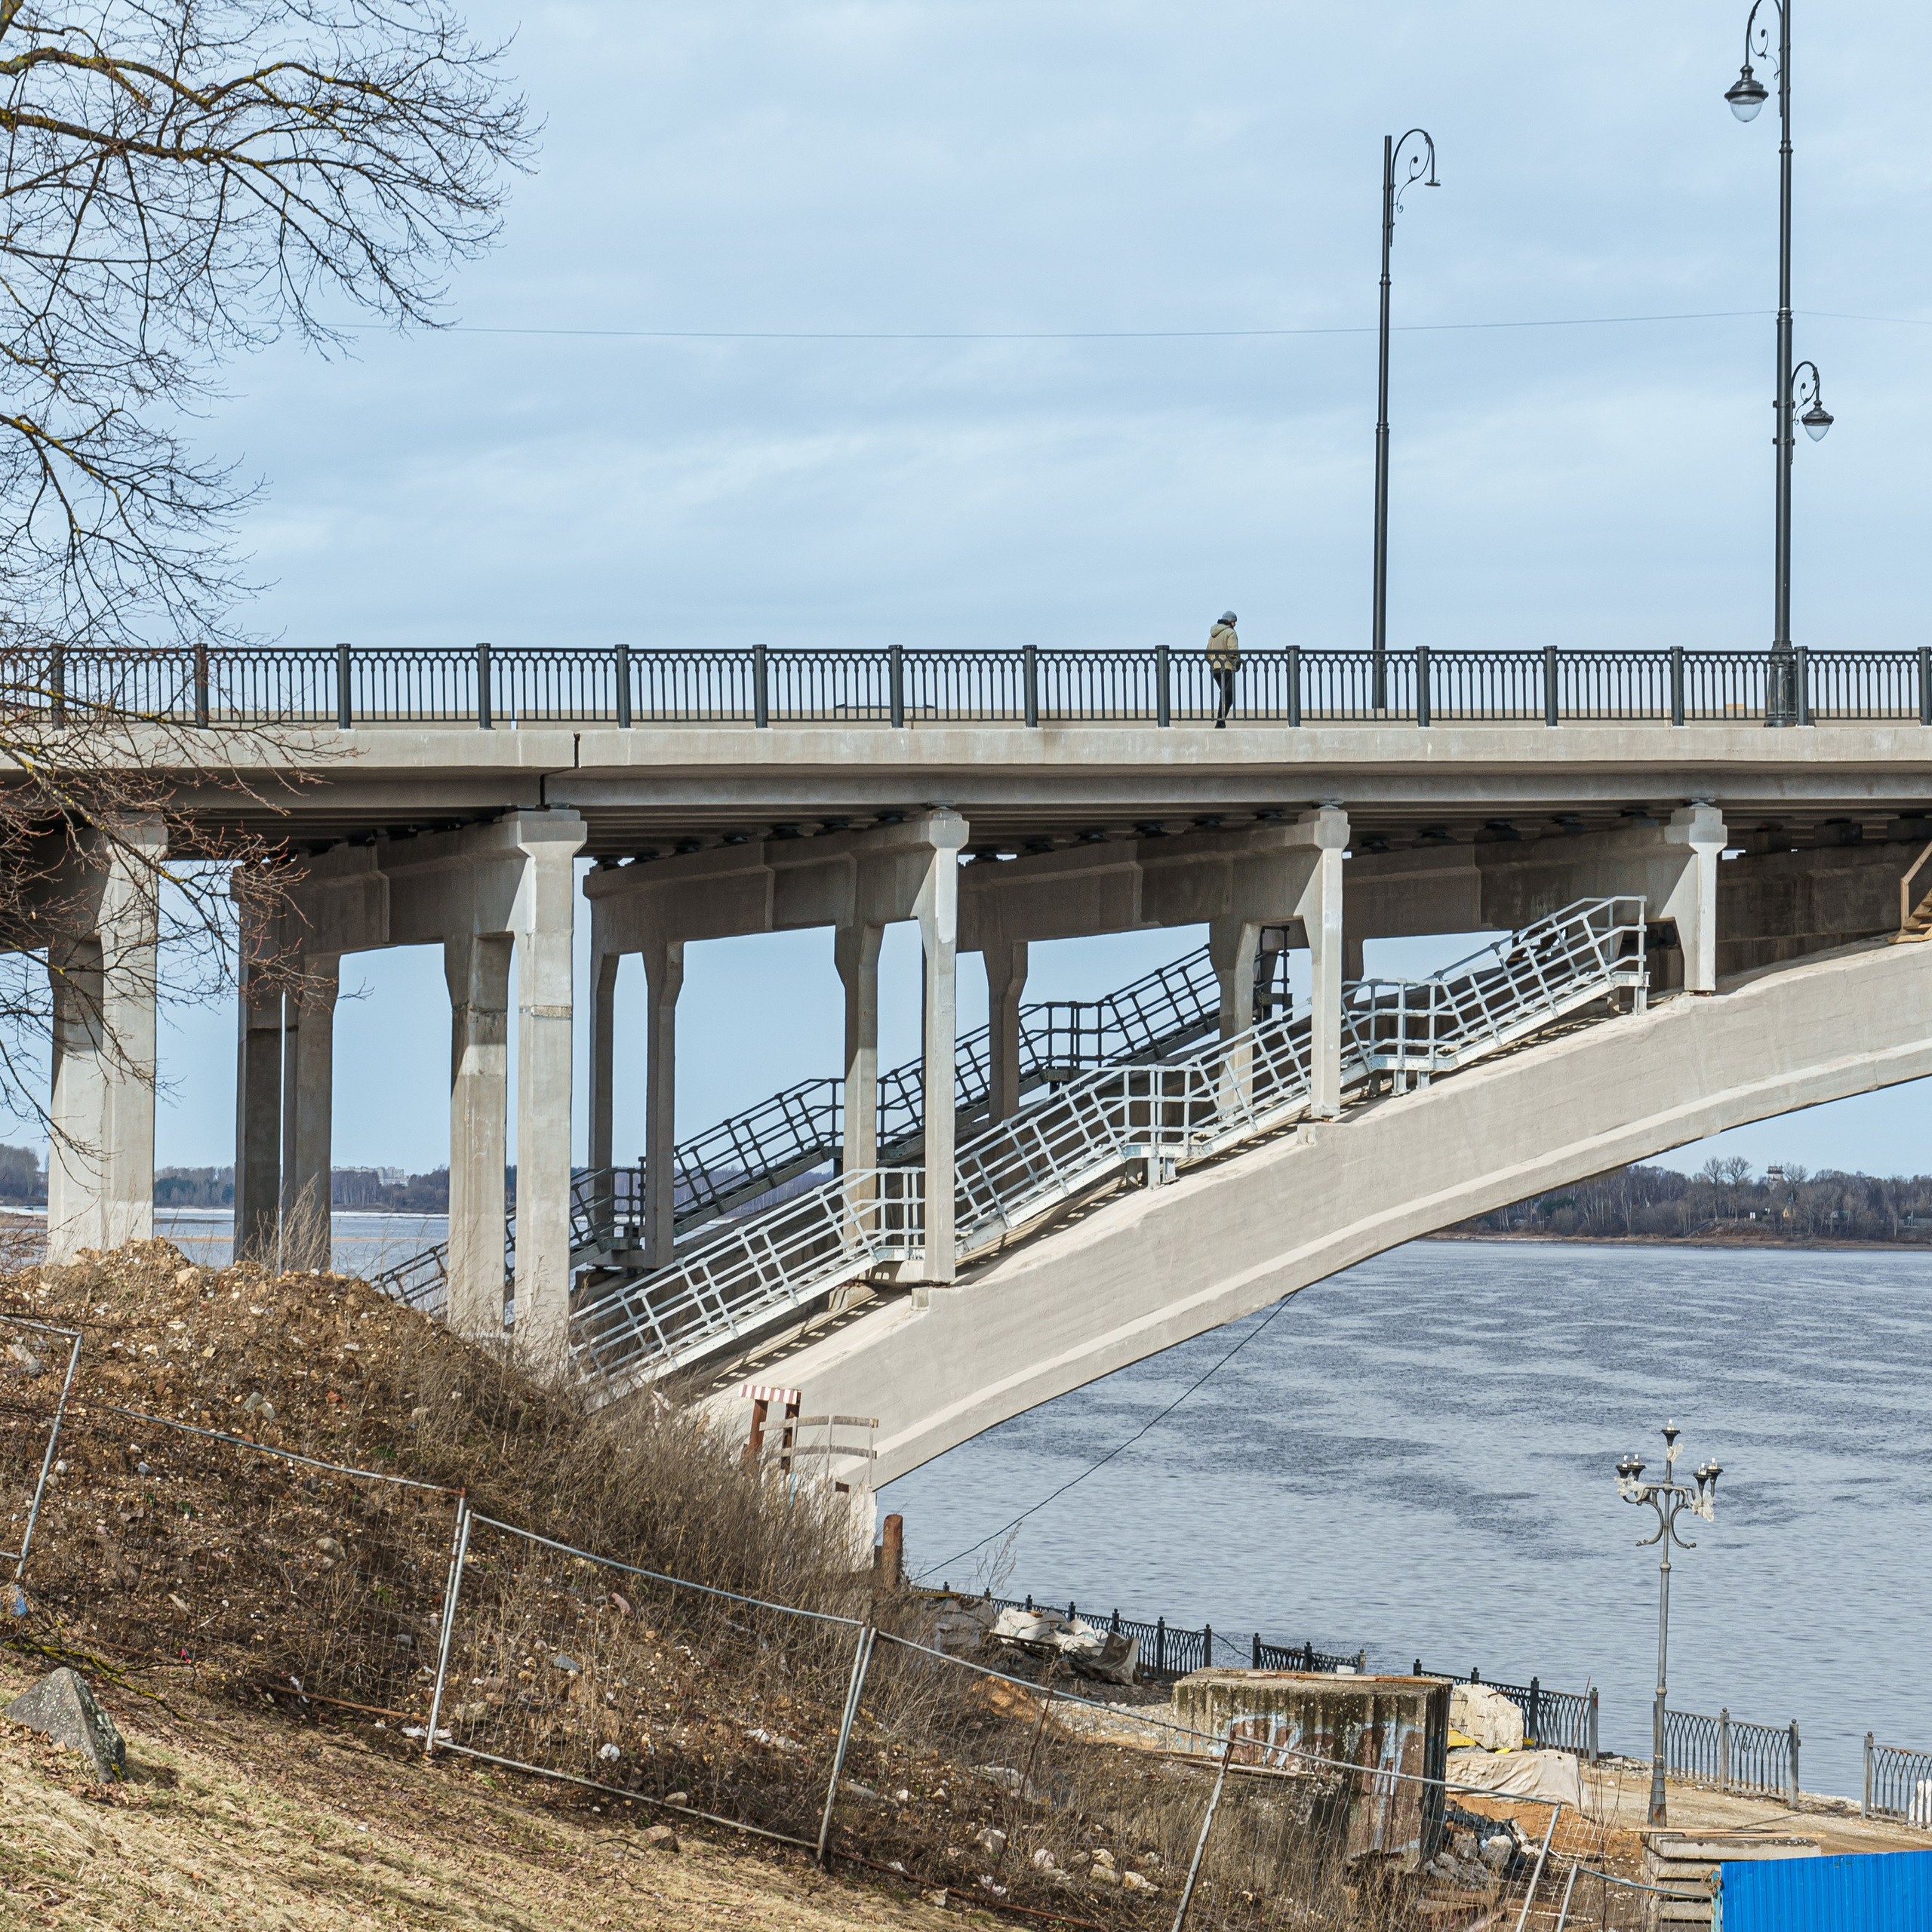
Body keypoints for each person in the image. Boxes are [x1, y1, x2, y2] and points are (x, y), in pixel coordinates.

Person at [1207, 611, 1241, 727]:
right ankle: (1220, 721)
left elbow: (1207, 653)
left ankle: (1220, 721)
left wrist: (1213, 663)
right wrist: (1237, 664)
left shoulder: (1213, 635)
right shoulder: (1230, 633)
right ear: (1228, 621)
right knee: (1229, 695)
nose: (1234, 624)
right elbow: (1233, 652)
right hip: (1226, 667)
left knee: (1225, 694)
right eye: (1233, 622)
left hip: (1215, 669)